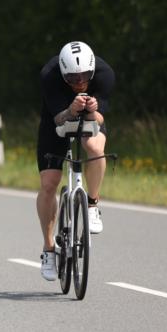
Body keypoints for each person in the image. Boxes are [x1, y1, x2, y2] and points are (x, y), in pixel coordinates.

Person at [36, 41, 115, 281]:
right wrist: (71, 109)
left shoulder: (104, 74)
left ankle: (92, 204)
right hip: (58, 118)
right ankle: (49, 249)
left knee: (93, 146)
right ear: (63, 74)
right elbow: (59, 119)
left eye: (84, 78)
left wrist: (92, 110)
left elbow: (100, 118)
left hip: (90, 116)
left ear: (92, 72)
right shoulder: (50, 75)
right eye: (72, 79)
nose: (79, 83)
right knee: (49, 183)